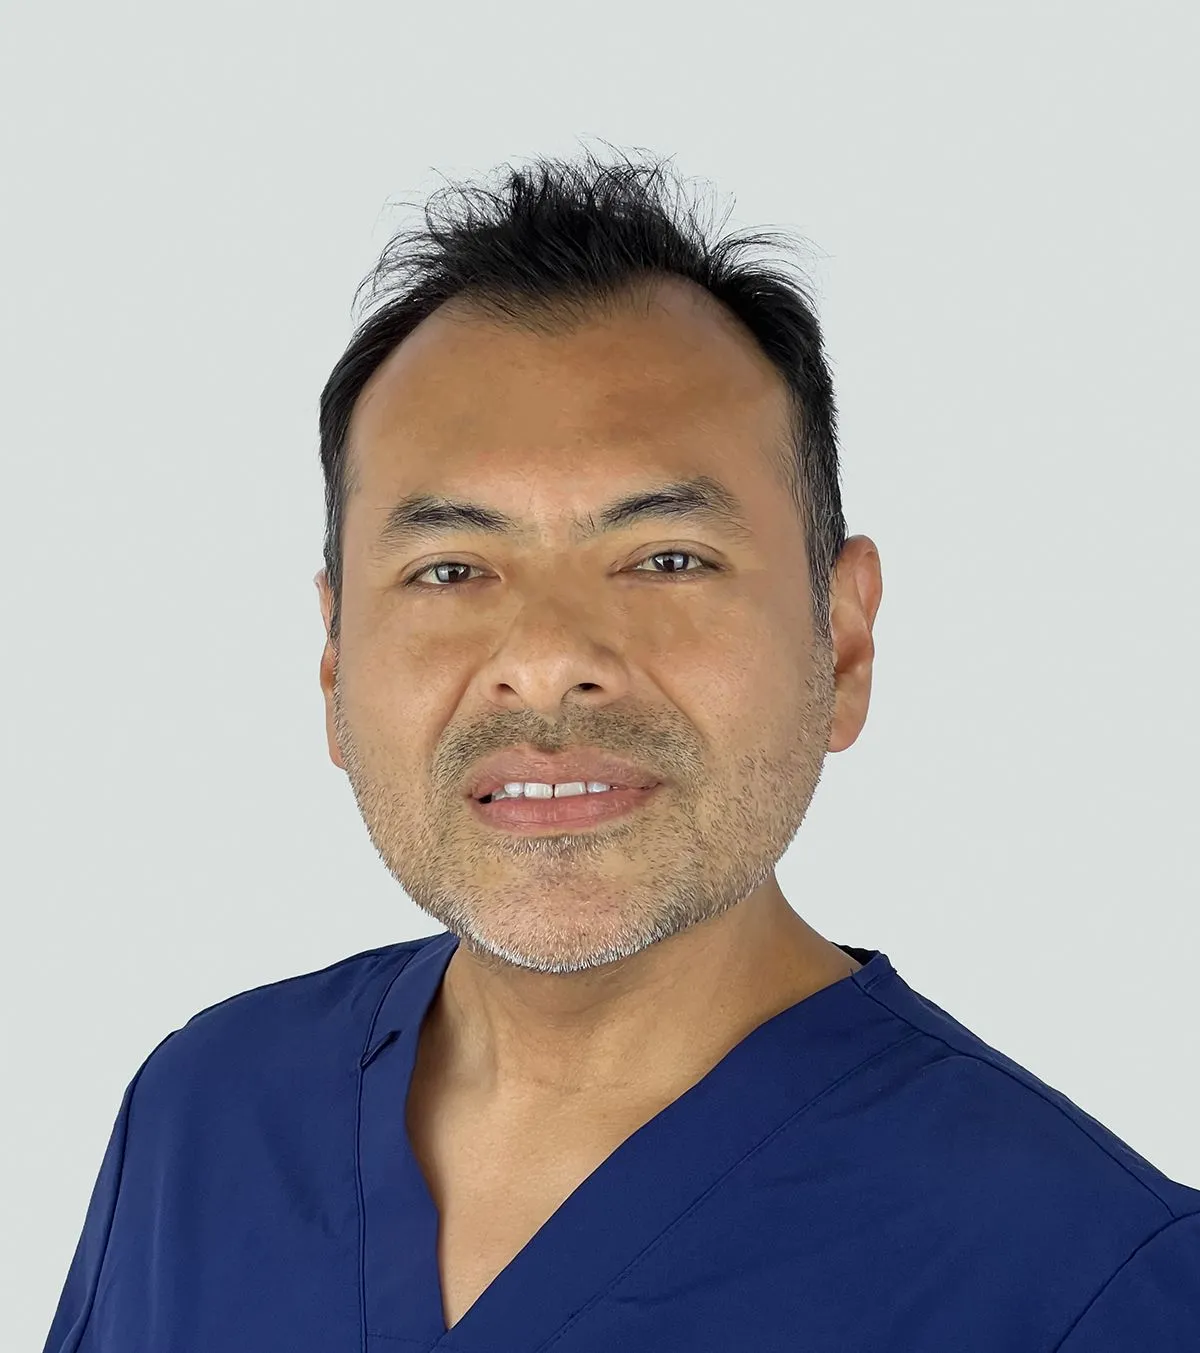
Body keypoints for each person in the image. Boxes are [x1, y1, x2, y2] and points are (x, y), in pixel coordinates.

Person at [44, 149, 1200, 1353]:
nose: (548, 659)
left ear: (843, 643)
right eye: (450, 569)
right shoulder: (206, 1114)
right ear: (337, 667)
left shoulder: (1090, 1282)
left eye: (666, 559)